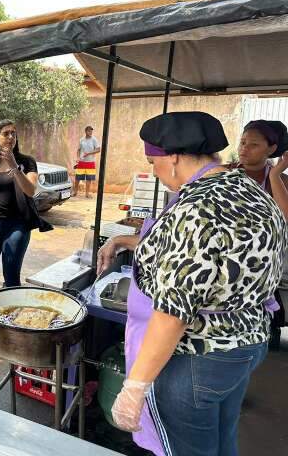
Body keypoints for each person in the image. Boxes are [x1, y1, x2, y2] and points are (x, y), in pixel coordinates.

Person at [97, 112, 287, 456]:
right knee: (222, 439)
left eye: (152, 162)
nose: (153, 170)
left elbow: (173, 312)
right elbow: (207, 256)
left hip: (199, 358)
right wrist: (125, 241)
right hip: (246, 342)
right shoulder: (248, 189)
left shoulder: (195, 207)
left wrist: (135, 386)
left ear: (173, 158)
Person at [0, 119, 51, 315]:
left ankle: (10, 313)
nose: (11, 137)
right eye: (6, 133)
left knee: (11, 272)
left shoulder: (26, 162)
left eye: (13, 133)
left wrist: (14, 166)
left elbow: (30, 190)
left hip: (17, 225)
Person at [233, 119, 288, 349]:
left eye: (253, 144)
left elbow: (284, 218)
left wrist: (275, 175)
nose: (244, 149)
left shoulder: (280, 181)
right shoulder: (226, 174)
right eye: (243, 142)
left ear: (272, 149)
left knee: (264, 322)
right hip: (232, 259)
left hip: (264, 264)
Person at [73, 125, 101, 198]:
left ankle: (87, 193)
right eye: (89, 130)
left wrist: (89, 153)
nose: (90, 132)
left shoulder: (94, 139)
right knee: (77, 178)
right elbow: (78, 150)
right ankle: (75, 192)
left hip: (90, 162)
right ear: (86, 131)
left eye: (91, 130)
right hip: (81, 162)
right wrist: (78, 158)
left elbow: (98, 149)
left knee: (89, 178)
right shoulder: (82, 139)